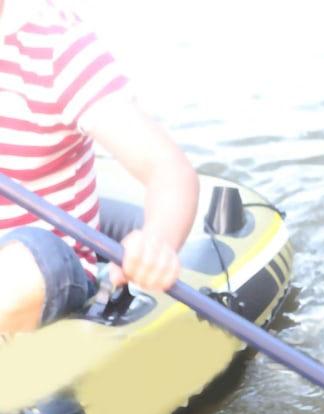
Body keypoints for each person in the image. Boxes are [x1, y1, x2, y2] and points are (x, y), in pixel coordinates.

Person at [0, 0, 199, 334]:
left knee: (19, 269)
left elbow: (167, 168)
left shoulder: (55, 47)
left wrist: (157, 242)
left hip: (47, 265)